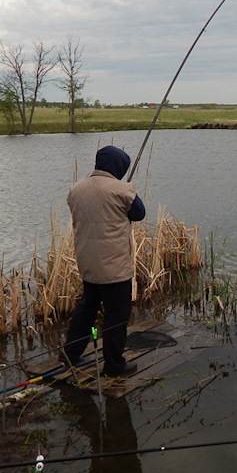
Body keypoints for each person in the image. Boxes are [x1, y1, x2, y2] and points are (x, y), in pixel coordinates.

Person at [61, 145, 146, 376]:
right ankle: (114, 365)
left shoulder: (75, 190)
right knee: (116, 316)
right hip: (115, 268)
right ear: (118, 167)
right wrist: (127, 189)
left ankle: (69, 354)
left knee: (86, 309)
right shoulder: (121, 191)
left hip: (88, 264)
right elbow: (139, 213)